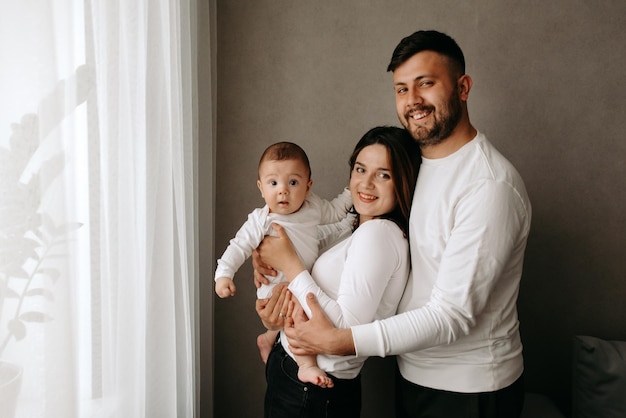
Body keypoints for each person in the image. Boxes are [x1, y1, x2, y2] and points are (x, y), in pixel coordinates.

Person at [256, 30, 532, 418]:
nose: (413, 100)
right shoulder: (416, 165)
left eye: (426, 83)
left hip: (469, 387)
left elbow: (453, 314)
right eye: (402, 89)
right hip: (413, 371)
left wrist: (340, 340)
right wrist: (269, 252)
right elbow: (346, 229)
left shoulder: (488, 185)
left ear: (463, 86)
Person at [255, 126, 420, 418]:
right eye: (360, 169)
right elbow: (307, 247)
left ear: (403, 182)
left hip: (313, 391)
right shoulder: (357, 226)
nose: (366, 184)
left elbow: (344, 331)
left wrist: (290, 265)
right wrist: (269, 262)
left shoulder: (379, 234)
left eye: (384, 175)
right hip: (297, 372)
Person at [214, 141, 353, 387]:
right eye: (273, 183)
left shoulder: (313, 207)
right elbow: (239, 245)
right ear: (261, 187)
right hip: (275, 287)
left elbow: (336, 212)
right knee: (301, 319)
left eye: (293, 182)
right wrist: (224, 274)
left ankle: (269, 337)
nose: (283, 191)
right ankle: (306, 366)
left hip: (299, 280)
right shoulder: (262, 220)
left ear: (308, 186)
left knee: (299, 312)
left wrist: (352, 192)